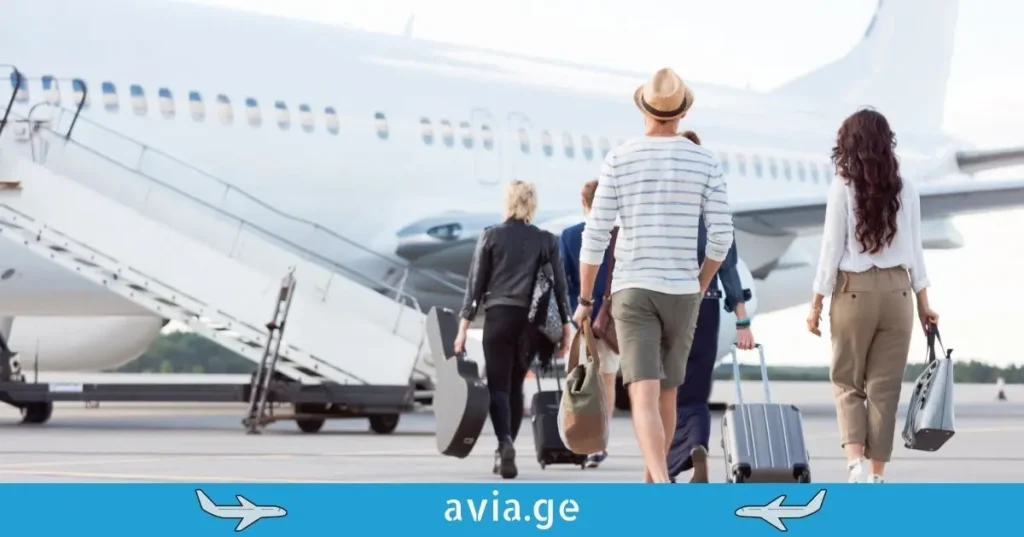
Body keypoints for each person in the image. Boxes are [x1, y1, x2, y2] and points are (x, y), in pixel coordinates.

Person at [574, 68, 734, 483]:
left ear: (644, 111)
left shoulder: (620, 157)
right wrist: (700, 283)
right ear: (681, 114)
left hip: (634, 289)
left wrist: (586, 298)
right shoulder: (705, 160)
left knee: (641, 391)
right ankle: (654, 483)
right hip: (682, 291)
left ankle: (658, 483)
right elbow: (722, 236)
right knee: (668, 393)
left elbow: (595, 236)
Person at [808, 108, 939, 484]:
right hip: (898, 294)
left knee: (848, 381)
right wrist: (924, 304)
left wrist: (816, 303)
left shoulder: (843, 185)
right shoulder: (907, 188)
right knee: (885, 388)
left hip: (854, 292)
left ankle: (854, 466)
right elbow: (916, 252)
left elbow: (830, 249)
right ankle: (878, 473)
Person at [455, 179, 573, 480]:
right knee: (517, 385)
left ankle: (503, 444)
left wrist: (462, 329)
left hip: (498, 317)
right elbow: (560, 286)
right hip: (530, 323)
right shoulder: (547, 240)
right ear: (532, 204)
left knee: (498, 386)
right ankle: (508, 446)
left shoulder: (490, 236)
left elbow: (475, 285)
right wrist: (566, 327)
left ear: (507, 203)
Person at [667, 130, 755, 483]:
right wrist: (742, 320)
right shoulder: (715, 205)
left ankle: (668, 465)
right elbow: (729, 266)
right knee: (696, 391)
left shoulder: (664, 203)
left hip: (668, 303)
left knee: (665, 389)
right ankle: (697, 447)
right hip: (706, 305)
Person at [559, 179, 622, 468]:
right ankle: (600, 442)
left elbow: (563, 284)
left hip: (580, 318)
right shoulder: (621, 236)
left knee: (579, 380)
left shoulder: (570, 237)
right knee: (607, 380)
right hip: (612, 323)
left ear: (584, 203)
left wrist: (569, 317)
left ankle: (579, 438)